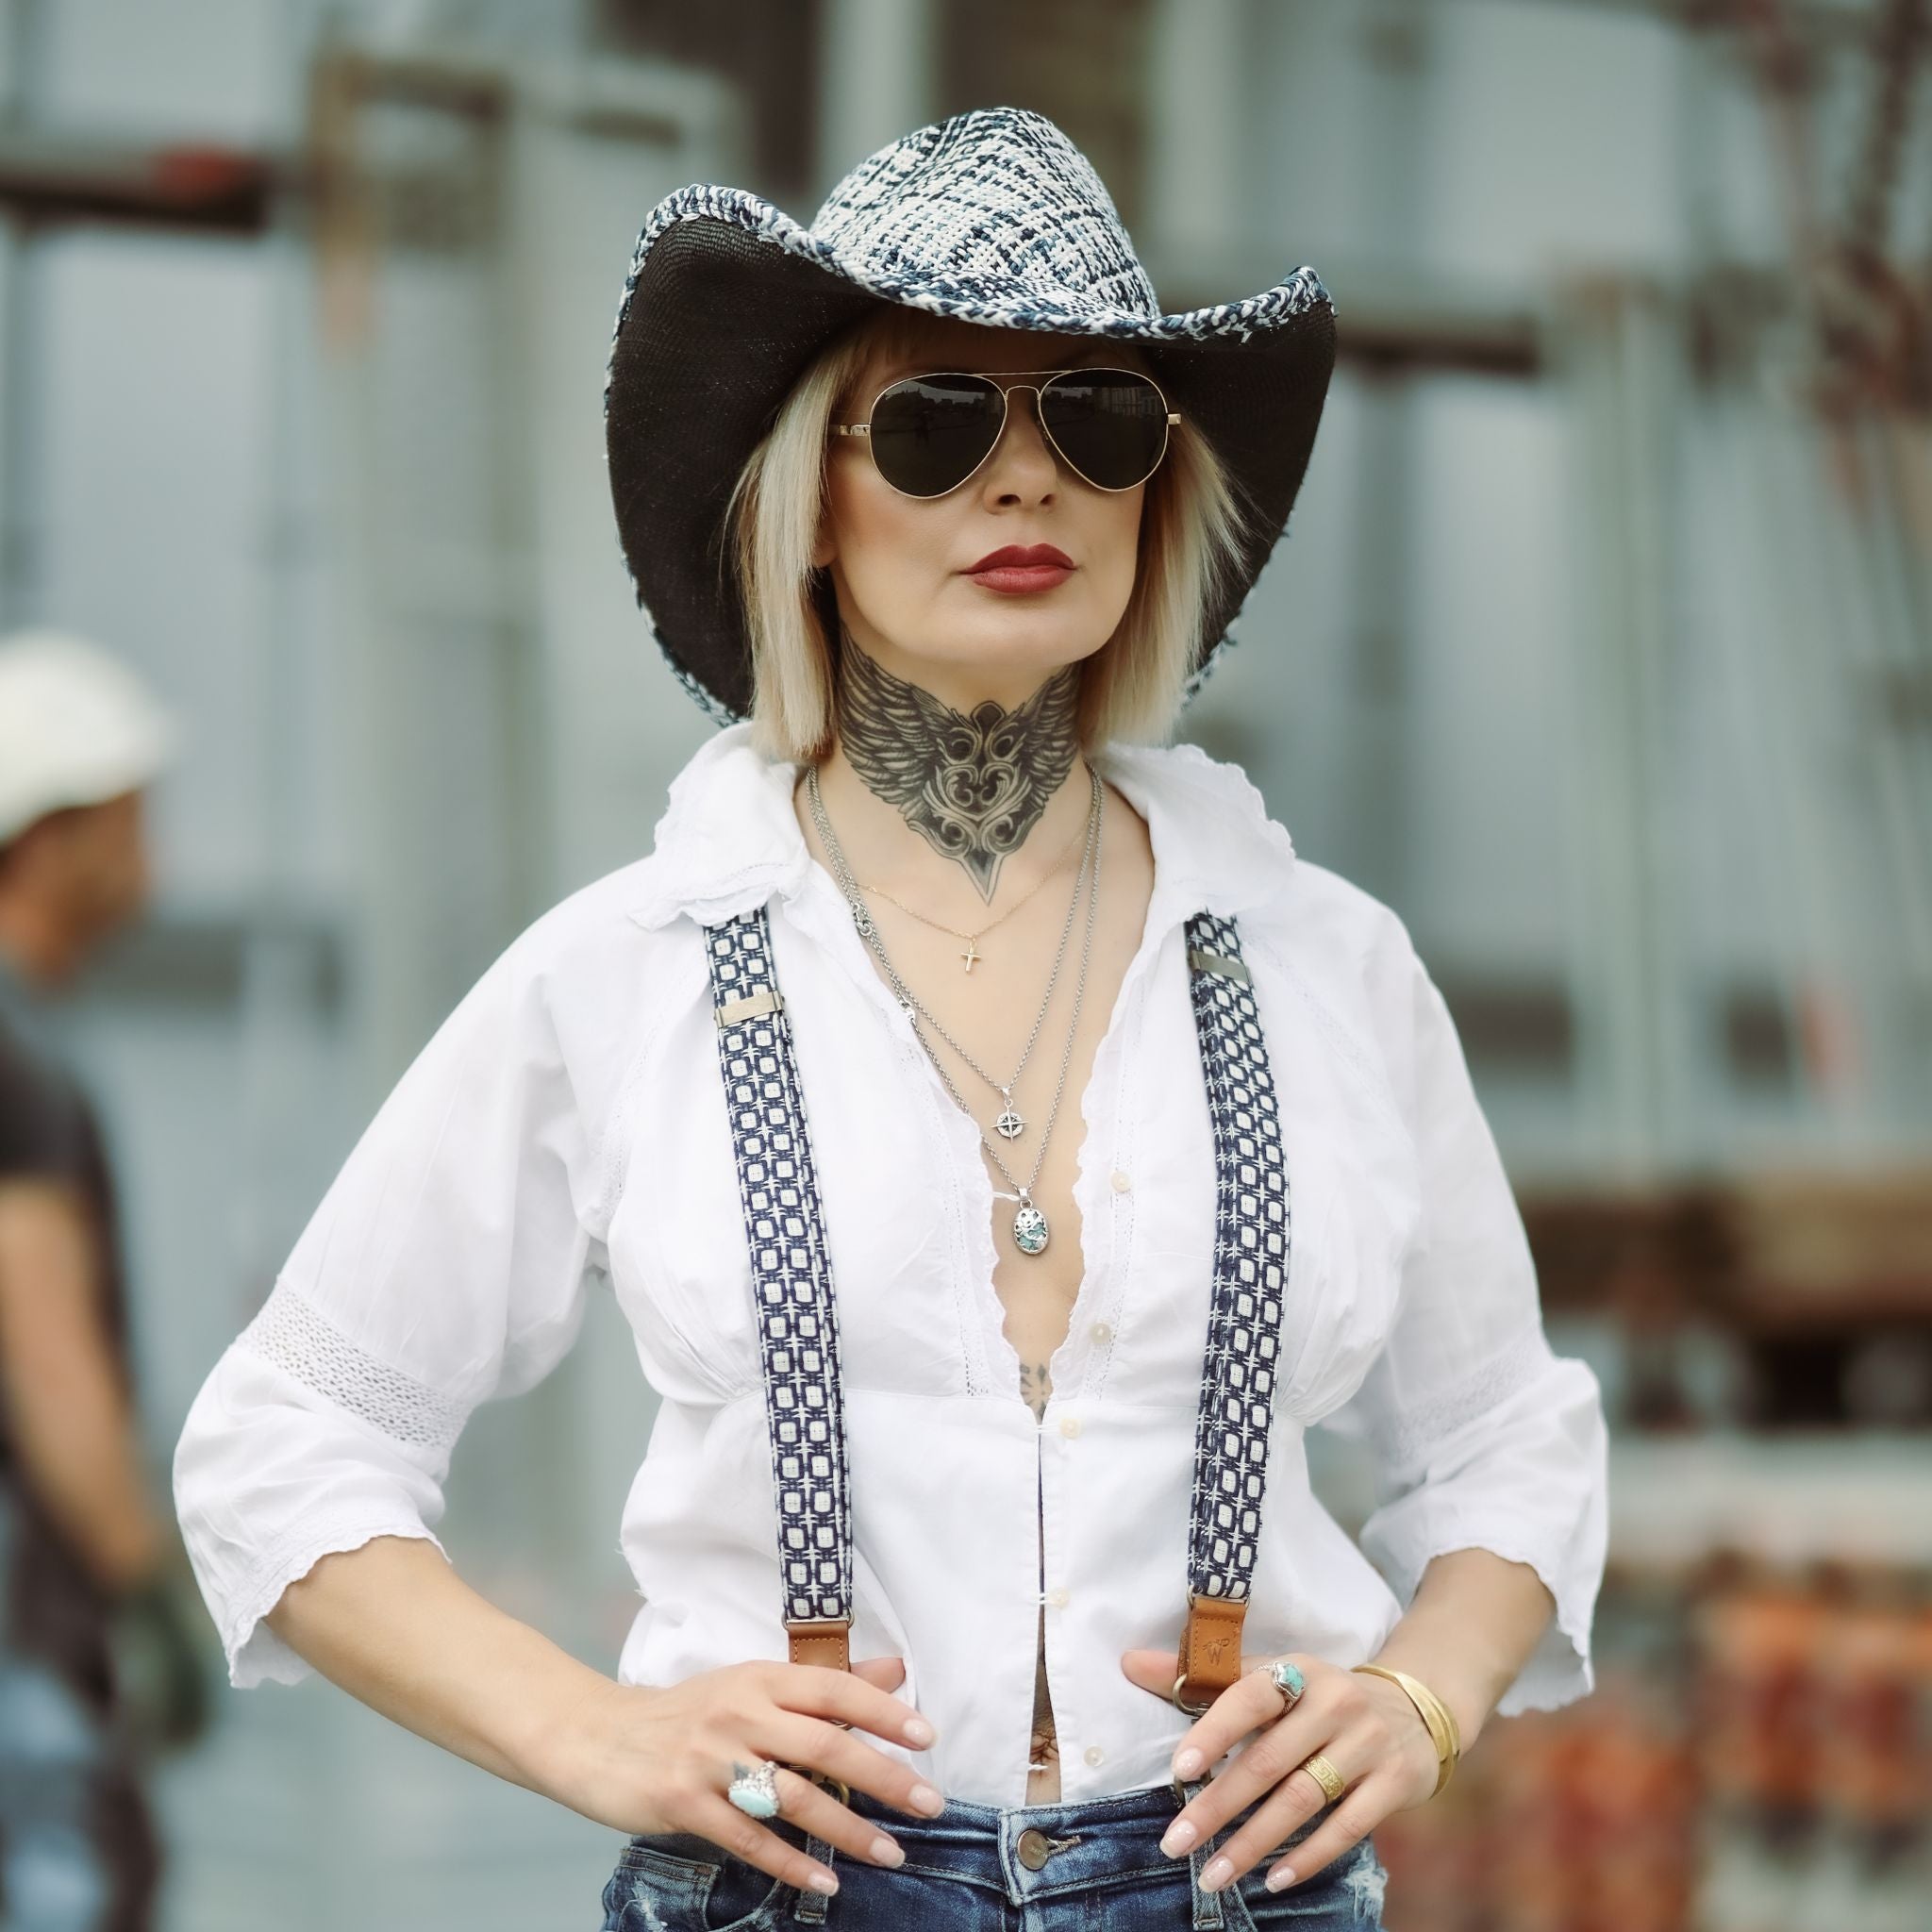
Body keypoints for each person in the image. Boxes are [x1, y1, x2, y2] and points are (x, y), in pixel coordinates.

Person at [173, 108, 1608, 1930]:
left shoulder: (1330, 965)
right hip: (794, 1887)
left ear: (1154, 490)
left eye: (1095, 419)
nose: (1028, 483)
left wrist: (1422, 1697)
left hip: (1240, 1888)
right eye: (938, 424)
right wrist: (593, 1731)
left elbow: (1502, 1442)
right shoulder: (636, 969)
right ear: (810, 501)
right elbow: (283, 1445)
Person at [0, 628, 208, 1931]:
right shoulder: (18, 1063)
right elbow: (49, 1361)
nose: (150, 853)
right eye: (130, 817)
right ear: (54, 831)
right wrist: (150, 1589)